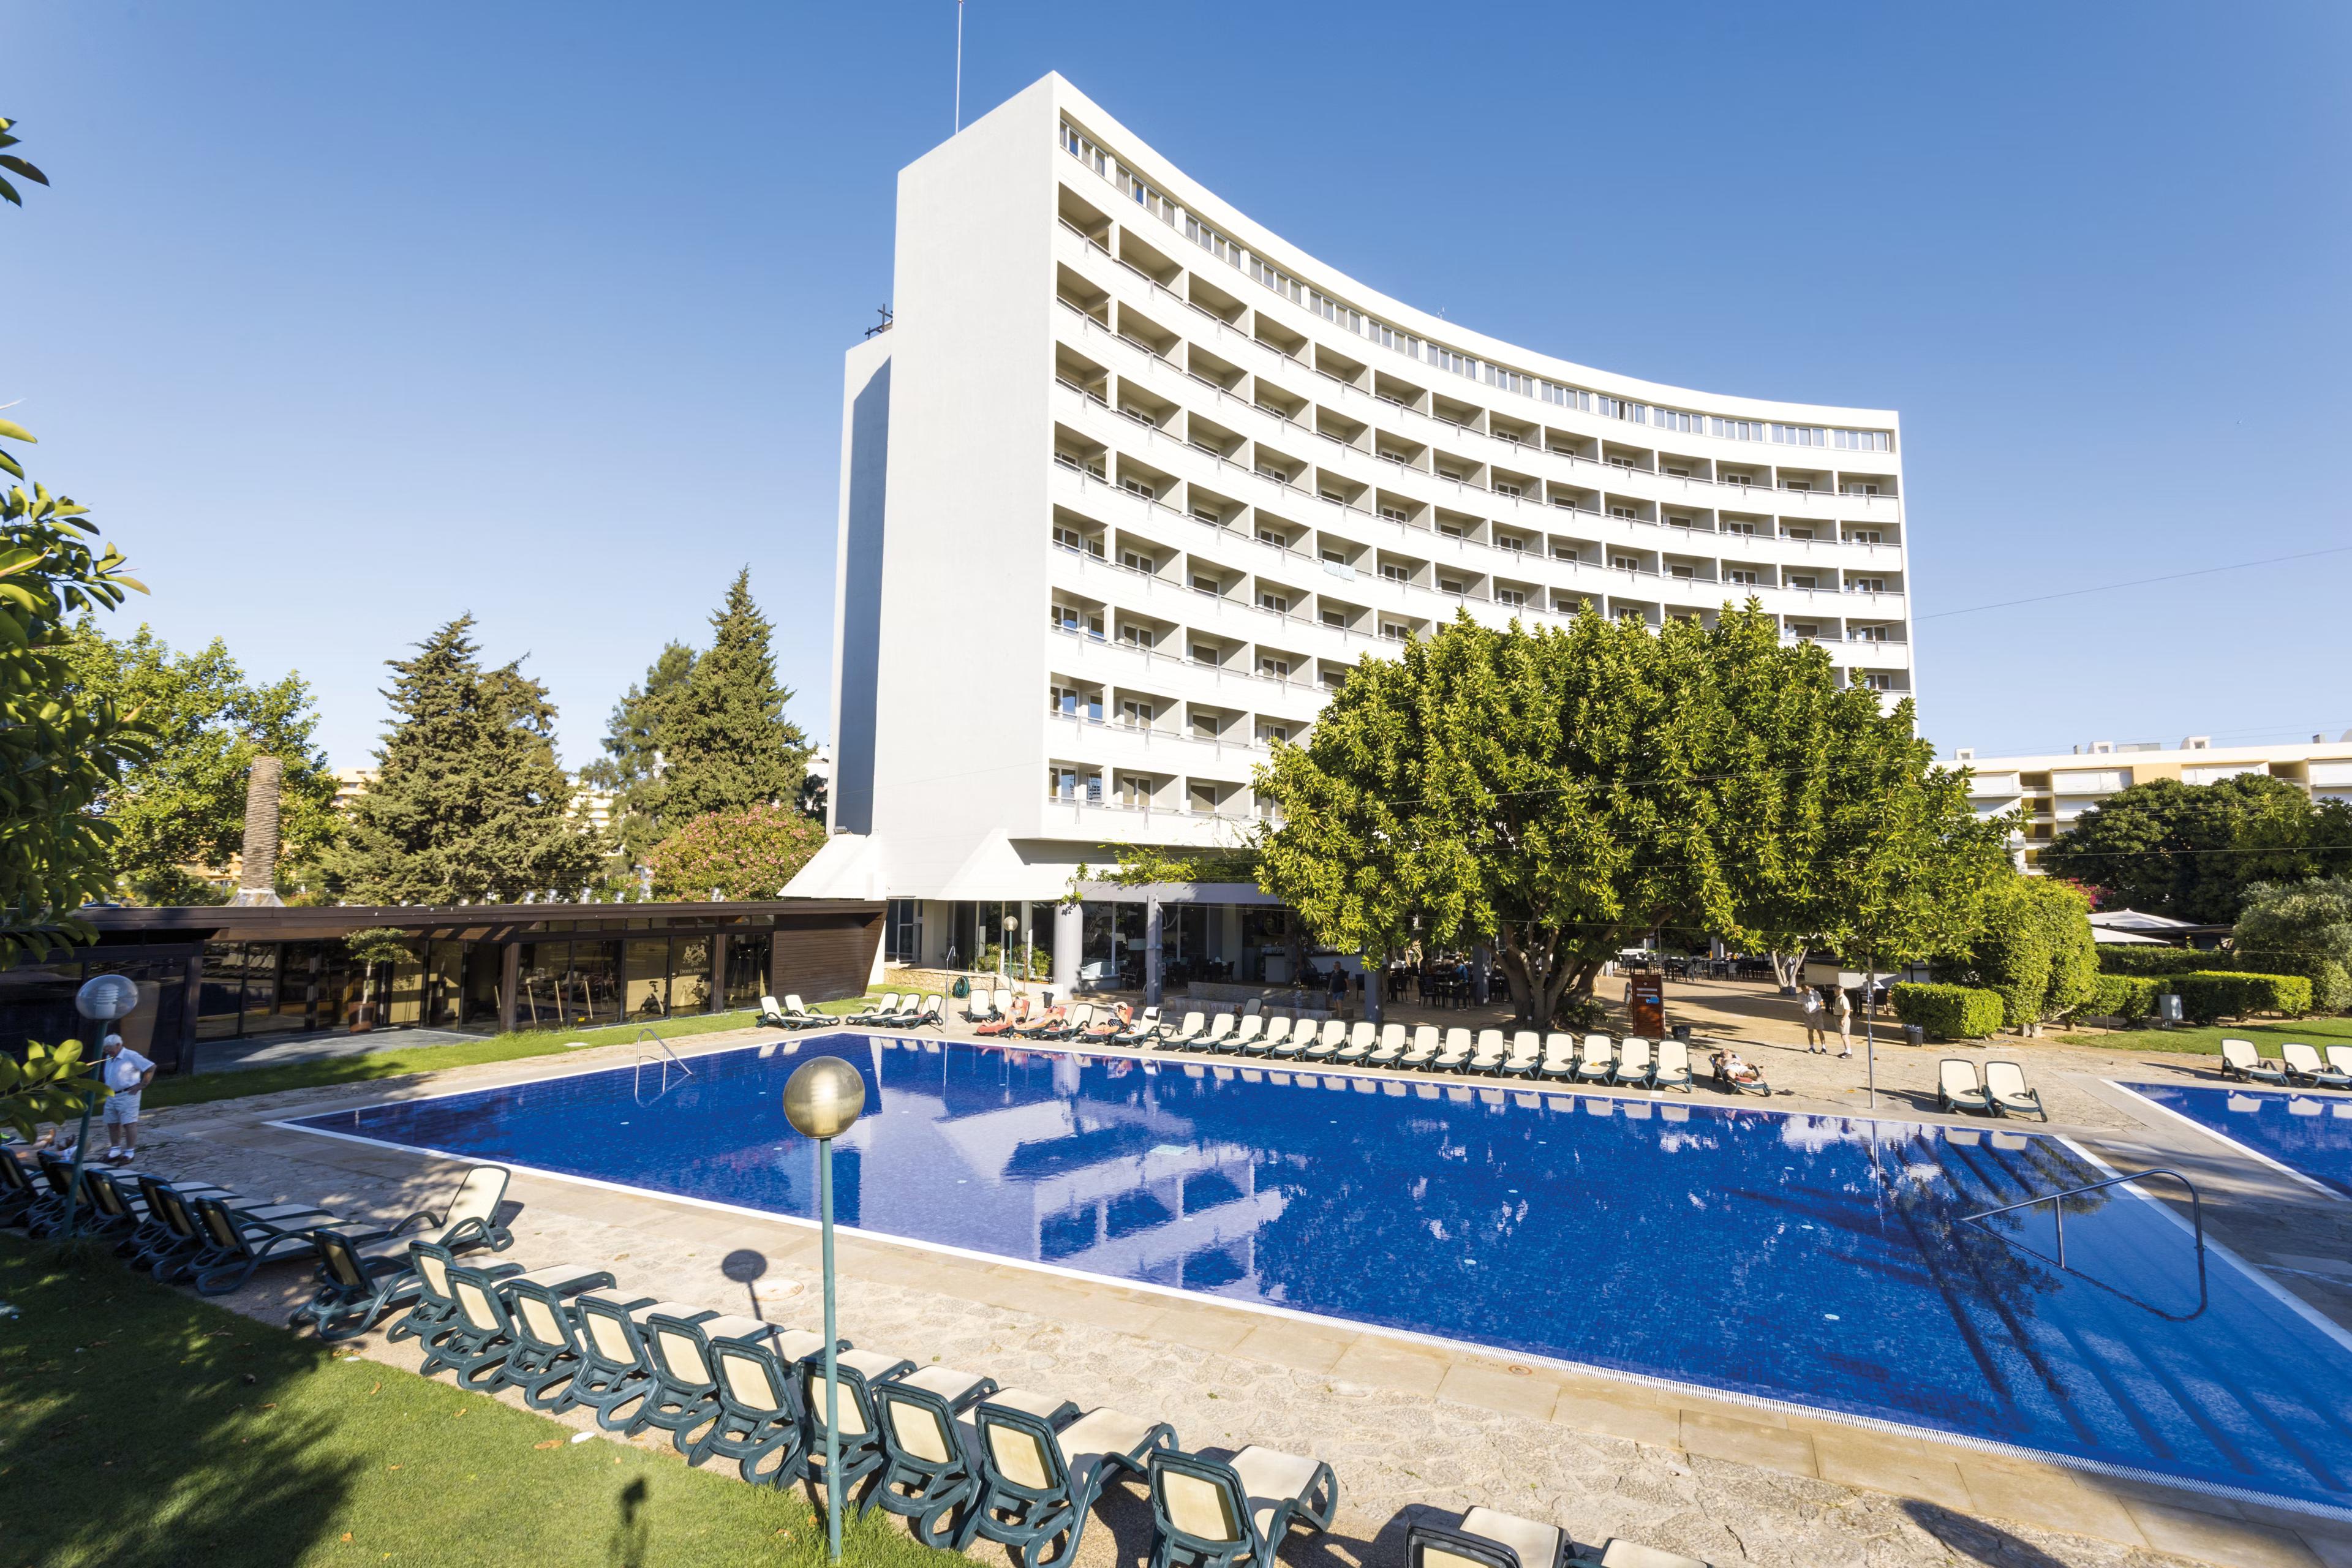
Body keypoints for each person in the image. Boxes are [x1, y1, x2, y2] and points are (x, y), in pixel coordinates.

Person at [99, 1034, 156, 1164]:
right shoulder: (109, 1057)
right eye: (106, 1049)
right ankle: (115, 1150)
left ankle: (130, 1152)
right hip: (112, 1094)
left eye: (109, 1049)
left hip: (128, 1094)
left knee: (129, 1123)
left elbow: (151, 1067)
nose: (107, 1052)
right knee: (112, 1123)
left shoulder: (131, 1056)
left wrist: (143, 1084)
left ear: (118, 1045)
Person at [1801, 986, 1826, 1053]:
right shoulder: (1800, 995)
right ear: (1803, 989)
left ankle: (1823, 1048)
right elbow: (1800, 1005)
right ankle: (1812, 1047)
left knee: (1820, 1030)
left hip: (1817, 1014)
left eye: (1808, 988)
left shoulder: (1816, 993)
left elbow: (1822, 1003)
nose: (1807, 990)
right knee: (1810, 1031)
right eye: (1805, 989)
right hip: (1807, 1014)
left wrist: (1817, 1009)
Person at [1834, 986, 1855, 1060]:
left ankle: (1849, 1053)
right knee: (1842, 1035)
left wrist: (1843, 1019)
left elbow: (1847, 1010)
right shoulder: (1839, 998)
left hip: (1842, 1018)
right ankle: (1846, 1051)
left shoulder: (1843, 998)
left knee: (1844, 1035)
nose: (1834, 991)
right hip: (1838, 1017)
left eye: (1835, 990)